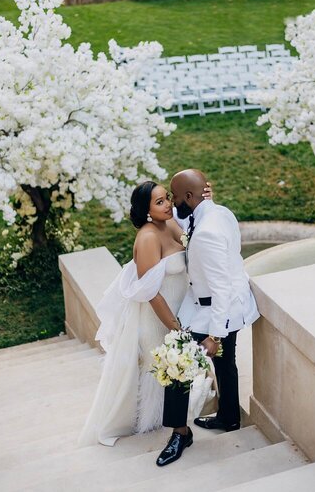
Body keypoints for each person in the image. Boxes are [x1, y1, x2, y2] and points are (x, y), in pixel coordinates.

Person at [78, 180, 211, 446]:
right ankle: (153, 424)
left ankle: (175, 417)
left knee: (176, 368)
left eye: (167, 199)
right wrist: (175, 327)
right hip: (157, 315)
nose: (168, 205)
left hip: (180, 307)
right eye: (159, 202)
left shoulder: (170, 222)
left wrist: (206, 199)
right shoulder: (148, 237)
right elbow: (151, 293)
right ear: (147, 210)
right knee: (160, 366)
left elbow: (196, 229)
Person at [156, 169, 260, 467]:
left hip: (214, 311)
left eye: (176, 197)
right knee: (226, 365)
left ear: (190, 197)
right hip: (224, 304)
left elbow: (220, 289)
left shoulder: (206, 234)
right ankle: (229, 418)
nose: (173, 203)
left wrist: (215, 336)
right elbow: (187, 216)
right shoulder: (220, 213)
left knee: (176, 362)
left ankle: (180, 433)